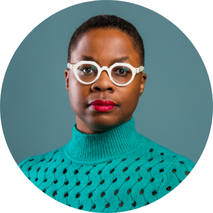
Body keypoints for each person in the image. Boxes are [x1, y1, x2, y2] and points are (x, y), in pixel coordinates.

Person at [19, 15, 195, 212]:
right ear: (68, 80)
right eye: (86, 69)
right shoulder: (28, 176)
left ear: (141, 83)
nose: (102, 84)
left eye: (120, 71)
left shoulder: (178, 176)